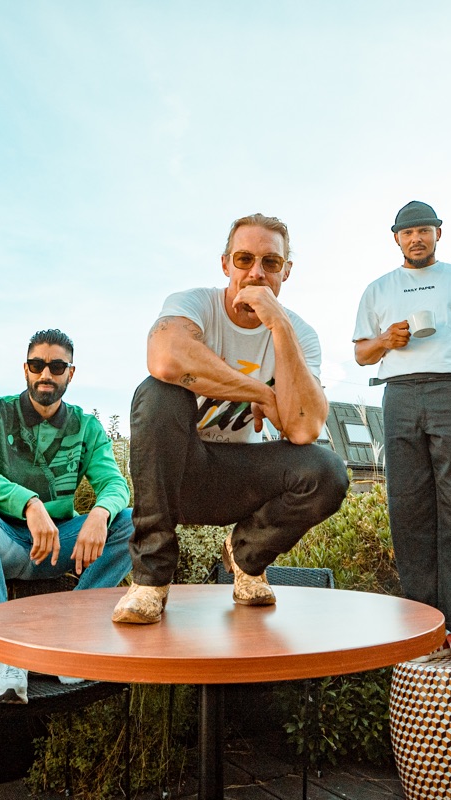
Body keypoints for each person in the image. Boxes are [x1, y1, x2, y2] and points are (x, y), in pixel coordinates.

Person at [112, 213, 349, 624]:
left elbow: (304, 428)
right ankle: (150, 580)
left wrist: (279, 324)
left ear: (286, 272)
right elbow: (165, 358)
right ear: (225, 264)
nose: (256, 273)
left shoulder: (300, 334)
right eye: (244, 259)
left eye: (270, 262)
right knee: (157, 392)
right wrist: (260, 391)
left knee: (327, 471)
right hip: (178, 474)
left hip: (240, 482)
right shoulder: (193, 305)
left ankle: (245, 558)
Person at [353, 201, 451, 669]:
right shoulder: (378, 289)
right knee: (408, 509)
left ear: (438, 233)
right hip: (399, 396)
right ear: (396, 238)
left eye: (423, 230)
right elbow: (362, 354)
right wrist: (386, 341)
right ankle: (424, 628)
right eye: (408, 232)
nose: (416, 238)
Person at [0, 329, 134, 702]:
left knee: (132, 522)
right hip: (2, 542)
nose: (46, 374)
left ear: (70, 373)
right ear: (26, 369)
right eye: (37, 365)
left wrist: (100, 513)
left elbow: (115, 484)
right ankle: (10, 656)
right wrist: (29, 504)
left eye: (57, 366)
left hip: (59, 546)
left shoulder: (86, 426)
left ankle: (68, 641)